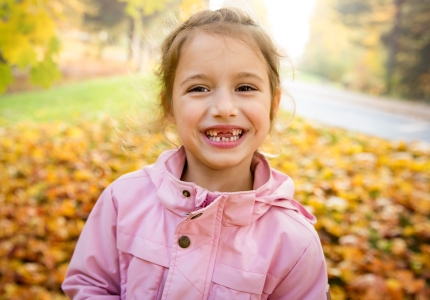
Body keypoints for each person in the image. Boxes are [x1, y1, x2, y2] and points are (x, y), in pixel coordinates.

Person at [62, 7, 329, 300]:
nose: (224, 108)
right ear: (170, 106)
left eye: (245, 87)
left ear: (273, 105)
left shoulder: (293, 241)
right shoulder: (123, 201)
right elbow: (89, 286)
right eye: (199, 88)